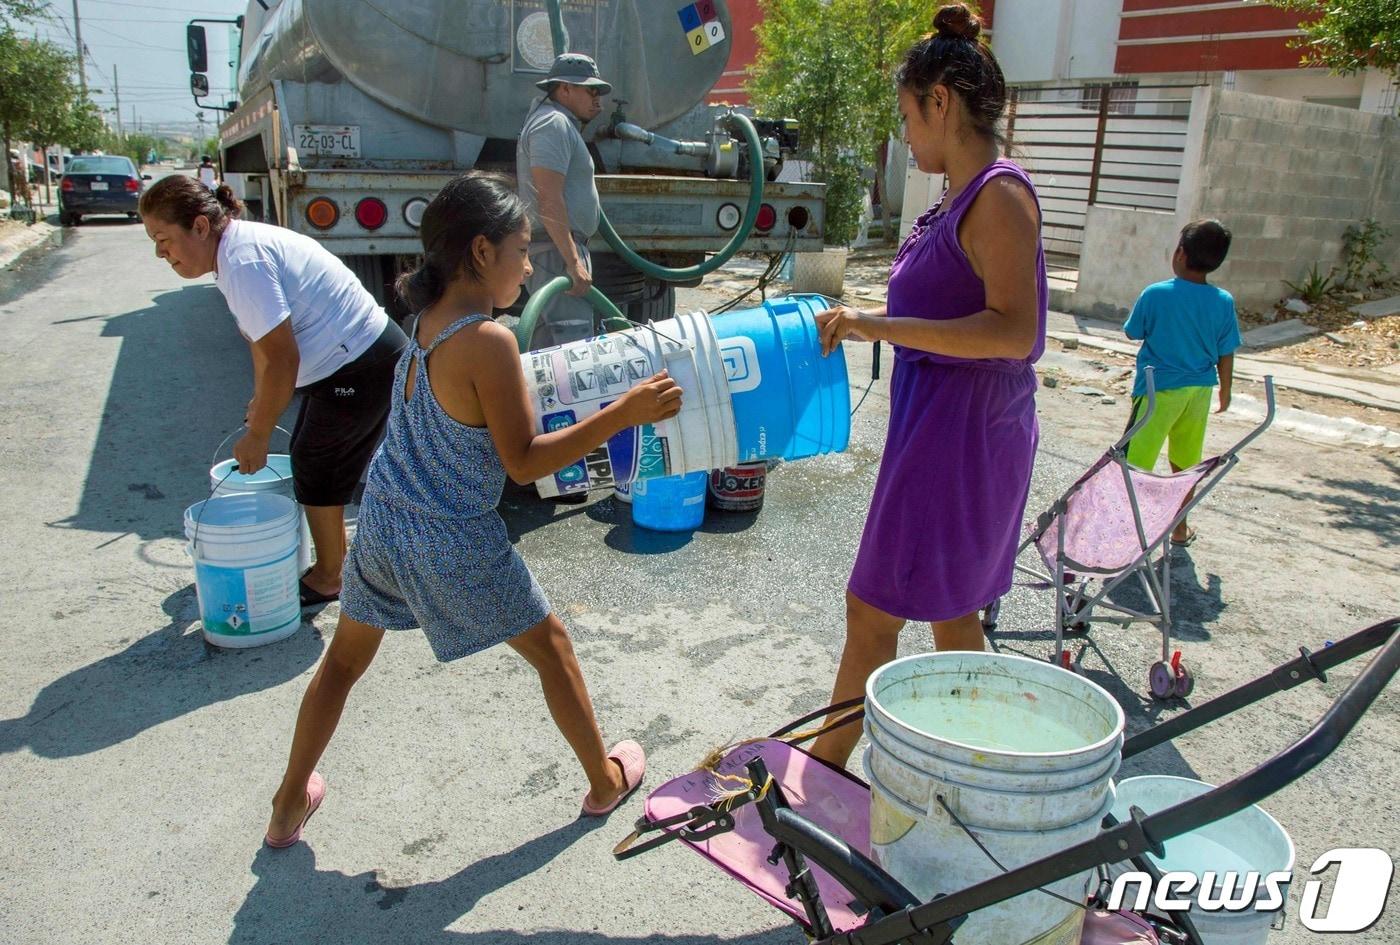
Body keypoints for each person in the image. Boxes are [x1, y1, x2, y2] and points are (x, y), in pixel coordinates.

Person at [262, 172, 683, 847]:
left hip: (380, 521)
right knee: (552, 648)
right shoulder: (490, 341)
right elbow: (523, 461)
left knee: (342, 663)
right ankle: (605, 783)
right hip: (447, 536)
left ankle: (286, 806)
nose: (531, 263)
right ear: (482, 252)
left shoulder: (425, 321)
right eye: (522, 249)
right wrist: (623, 412)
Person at [808, 4, 1047, 769]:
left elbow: (1016, 333)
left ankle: (820, 773)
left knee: (873, 610)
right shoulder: (959, 193)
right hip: (940, 425)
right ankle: (980, 774)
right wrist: (864, 319)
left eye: (909, 116)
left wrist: (881, 328)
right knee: (952, 614)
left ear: (941, 101)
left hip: (961, 437)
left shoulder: (999, 196)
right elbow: (943, 306)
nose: (907, 136)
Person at [141, 175, 408, 607]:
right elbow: (262, 345)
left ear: (200, 227)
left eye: (163, 238)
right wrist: (258, 403)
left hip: (361, 361)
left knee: (318, 462)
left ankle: (330, 576)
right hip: (355, 357)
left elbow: (283, 359)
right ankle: (335, 564)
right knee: (314, 456)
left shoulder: (243, 261)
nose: (160, 252)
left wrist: (260, 434)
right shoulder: (232, 254)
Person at [1123, 219, 1240, 546]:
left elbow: (1133, 331)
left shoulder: (1156, 294)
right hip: (1199, 392)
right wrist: (1226, 392)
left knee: (1134, 463)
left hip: (1157, 391)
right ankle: (1179, 529)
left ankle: (1127, 534)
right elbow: (1226, 350)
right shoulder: (1223, 301)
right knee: (1185, 465)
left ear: (1180, 254)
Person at [516, 53, 609, 350]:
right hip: (555, 252)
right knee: (573, 348)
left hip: (556, 248)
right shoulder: (552, 124)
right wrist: (572, 261)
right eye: (590, 90)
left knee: (546, 350)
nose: (598, 100)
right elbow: (549, 198)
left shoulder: (558, 124)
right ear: (564, 89)